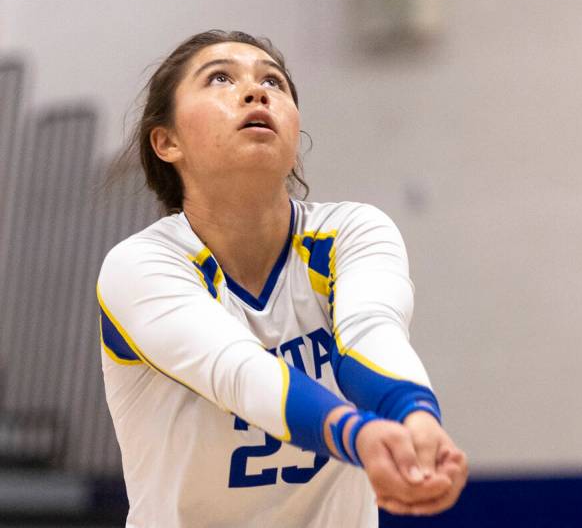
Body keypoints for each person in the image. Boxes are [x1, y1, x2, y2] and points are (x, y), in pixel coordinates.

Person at [97, 30, 467, 528]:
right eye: (220, 78)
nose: (256, 92)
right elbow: (238, 370)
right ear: (166, 142)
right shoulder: (140, 265)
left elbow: (372, 335)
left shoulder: (351, 232)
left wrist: (416, 418)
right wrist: (358, 435)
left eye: (273, 81)